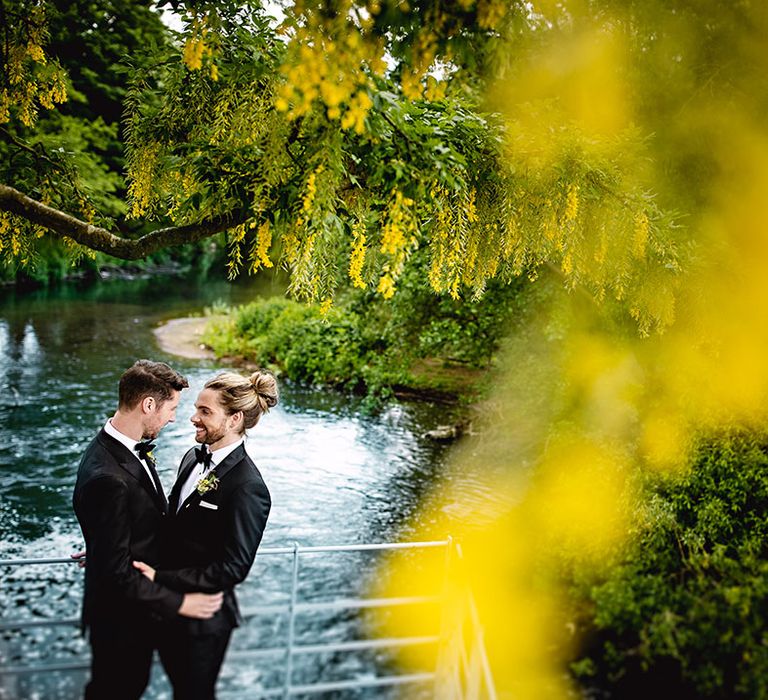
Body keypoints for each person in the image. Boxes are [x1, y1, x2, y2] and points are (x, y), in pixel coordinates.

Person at [72, 360, 224, 700]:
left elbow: (125, 521)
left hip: (133, 608)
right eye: (171, 408)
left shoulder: (110, 447)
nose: (173, 418)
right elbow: (116, 575)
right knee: (117, 691)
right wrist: (180, 603)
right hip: (120, 621)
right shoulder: (108, 477)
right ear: (149, 405)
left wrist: (104, 544)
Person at [133, 369, 277, 700]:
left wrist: (160, 576)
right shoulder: (190, 458)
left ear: (235, 419)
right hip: (167, 607)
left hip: (202, 623)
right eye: (196, 408)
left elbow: (233, 568)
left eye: (205, 412)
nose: (193, 418)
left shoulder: (248, 487)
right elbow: (170, 526)